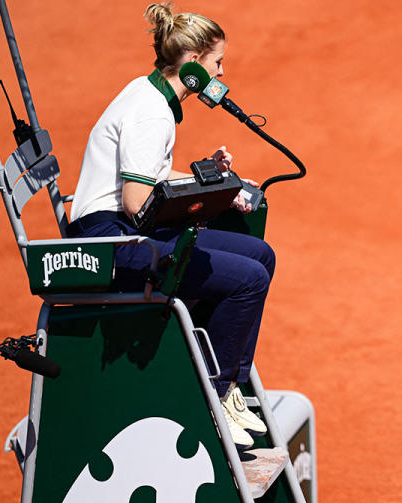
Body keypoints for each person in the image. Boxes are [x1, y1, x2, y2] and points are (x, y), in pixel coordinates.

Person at [67, 2, 269, 450]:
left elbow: (149, 176)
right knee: (249, 280)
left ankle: (227, 385)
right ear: (194, 65)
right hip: (112, 239)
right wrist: (206, 201)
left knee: (261, 255)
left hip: (123, 227)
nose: (223, 72)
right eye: (217, 63)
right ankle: (211, 396)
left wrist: (212, 181)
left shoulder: (150, 93)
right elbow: (139, 204)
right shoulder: (152, 111)